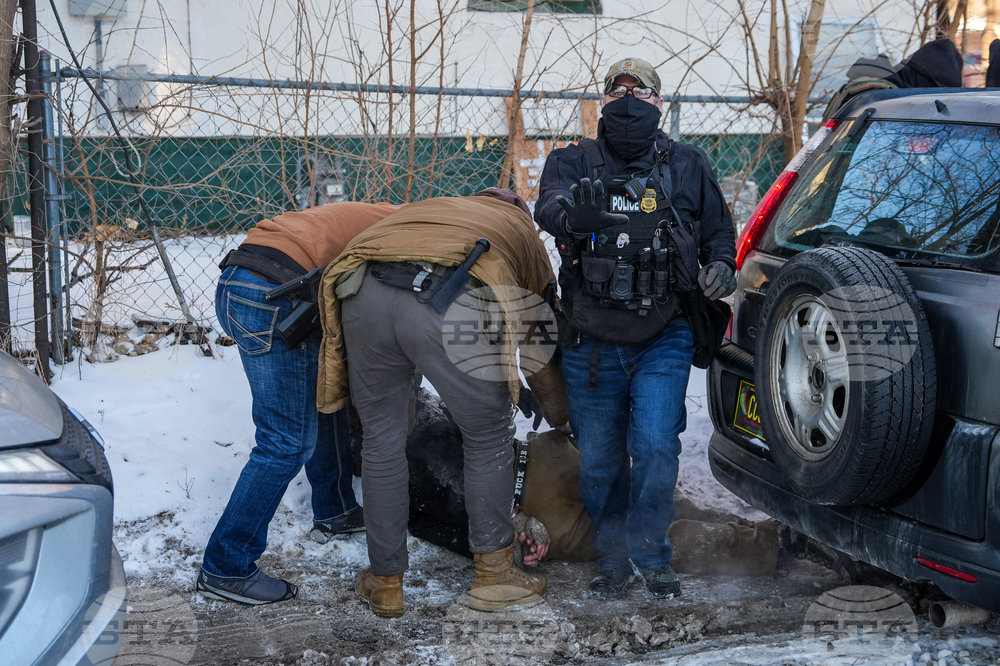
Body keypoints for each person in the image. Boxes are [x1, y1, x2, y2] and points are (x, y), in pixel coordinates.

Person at [534, 57, 737, 599]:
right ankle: (613, 555)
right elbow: (549, 205)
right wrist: (570, 216)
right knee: (599, 459)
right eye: (617, 90)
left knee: (654, 446)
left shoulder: (689, 163)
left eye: (640, 91)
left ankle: (651, 552)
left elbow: (720, 231)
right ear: (602, 102)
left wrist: (722, 265)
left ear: (660, 103)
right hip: (591, 336)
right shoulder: (572, 161)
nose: (628, 99)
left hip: (663, 331)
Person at [316, 188, 564, 617]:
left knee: (381, 440)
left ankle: (385, 583)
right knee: (487, 436)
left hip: (362, 293)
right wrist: (560, 412)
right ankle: (495, 577)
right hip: (448, 300)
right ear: (521, 214)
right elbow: (537, 332)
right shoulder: (521, 230)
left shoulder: (429, 209)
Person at [197, 201, 398, 605]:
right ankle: (227, 566)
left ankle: (335, 509)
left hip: (240, 282)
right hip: (276, 296)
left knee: (323, 399)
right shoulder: (413, 232)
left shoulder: (387, 213)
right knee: (285, 442)